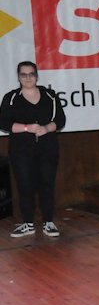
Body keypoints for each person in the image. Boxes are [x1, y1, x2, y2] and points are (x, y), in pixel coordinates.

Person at [0, 60, 67, 238]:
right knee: (25, 186)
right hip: (21, 151)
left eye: (31, 74)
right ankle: (28, 224)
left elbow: (60, 120)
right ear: (18, 77)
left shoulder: (50, 95)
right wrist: (26, 128)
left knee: (47, 185)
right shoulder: (11, 98)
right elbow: (4, 123)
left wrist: (46, 128)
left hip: (47, 149)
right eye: (23, 74)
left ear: (36, 76)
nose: (28, 78)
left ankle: (48, 222)